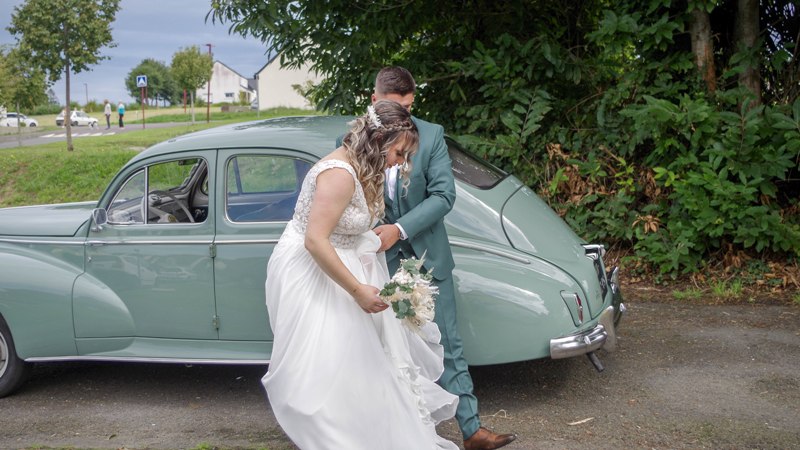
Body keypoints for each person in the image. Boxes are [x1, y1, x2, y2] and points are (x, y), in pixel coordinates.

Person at [263, 100, 459, 450]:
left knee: (365, 357)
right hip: (313, 268)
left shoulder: (367, 168)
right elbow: (315, 240)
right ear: (379, 141)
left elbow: (350, 227)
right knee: (331, 358)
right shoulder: (338, 174)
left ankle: (368, 431)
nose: (401, 161)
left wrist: (378, 239)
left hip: (347, 260)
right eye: (399, 152)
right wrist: (356, 290)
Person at [371, 67, 517, 450]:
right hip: (377, 264)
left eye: (408, 106)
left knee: (449, 344)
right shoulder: (353, 138)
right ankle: (402, 432)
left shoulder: (431, 135)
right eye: (394, 106)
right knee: (390, 350)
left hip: (428, 257)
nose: (404, 114)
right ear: (375, 101)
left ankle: (472, 430)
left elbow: (443, 196)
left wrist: (398, 230)